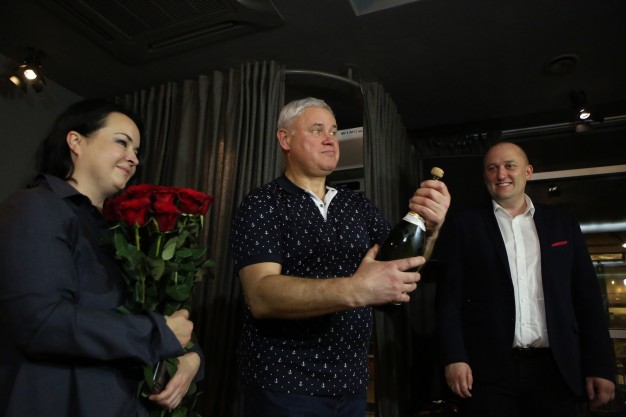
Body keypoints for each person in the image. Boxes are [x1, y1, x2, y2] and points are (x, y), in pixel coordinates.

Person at [230, 97, 451, 416]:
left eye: (333, 131)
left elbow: (400, 268)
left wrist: (430, 231)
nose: (330, 139)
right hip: (283, 387)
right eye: (317, 130)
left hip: (351, 385)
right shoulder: (262, 204)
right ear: (285, 139)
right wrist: (356, 289)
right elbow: (261, 296)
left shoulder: (357, 205)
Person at [0, 99, 203, 417]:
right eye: (122, 142)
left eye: (137, 150)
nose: (133, 158)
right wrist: (156, 335)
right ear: (76, 141)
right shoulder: (35, 206)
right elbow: (41, 322)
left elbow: (153, 312)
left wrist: (191, 357)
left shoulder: (124, 233)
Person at [435, 141, 615, 416]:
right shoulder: (464, 224)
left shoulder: (562, 222)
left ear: (528, 171)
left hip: (557, 369)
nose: (501, 174)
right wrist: (454, 357)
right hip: (488, 372)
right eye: (492, 168)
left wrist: (600, 366)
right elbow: (448, 298)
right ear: (485, 176)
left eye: (510, 166)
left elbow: (587, 297)